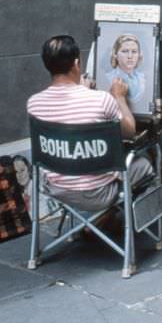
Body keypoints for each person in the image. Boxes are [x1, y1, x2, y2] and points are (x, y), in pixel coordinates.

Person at [27, 35, 153, 213]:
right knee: (146, 162)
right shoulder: (101, 99)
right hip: (98, 194)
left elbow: (68, 116)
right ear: (77, 64)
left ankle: (92, 225)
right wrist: (118, 97)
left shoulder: (34, 103)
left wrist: (83, 91)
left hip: (56, 189)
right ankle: (106, 220)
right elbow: (129, 132)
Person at [104, 34, 146, 109]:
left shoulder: (143, 78)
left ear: (139, 55)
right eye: (125, 51)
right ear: (115, 54)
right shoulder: (108, 78)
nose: (130, 56)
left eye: (134, 51)